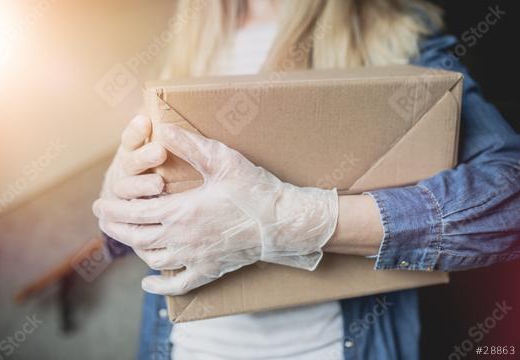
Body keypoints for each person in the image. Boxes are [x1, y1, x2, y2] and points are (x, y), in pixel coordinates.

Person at [92, 0, 520, 359]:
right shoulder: (182, 49)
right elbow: (154, 232)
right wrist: (122, 201)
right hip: (183, 348)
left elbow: (510, 202)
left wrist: (294, 220)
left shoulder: (397, 36)